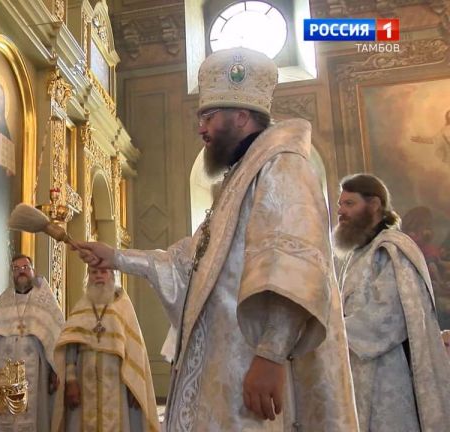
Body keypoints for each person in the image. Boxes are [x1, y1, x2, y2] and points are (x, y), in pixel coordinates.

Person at [73, 47, 358, 431]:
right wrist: (116, 257)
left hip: (255, 365)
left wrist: (271, 355)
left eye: (208, 117)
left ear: (241, 116)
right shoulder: (239, 178)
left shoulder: (282, 165)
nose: (201, 128)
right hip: (227, 367)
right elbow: (188, 261)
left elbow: (296, 267)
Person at [334, 173, 450, 431]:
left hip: (388, 373)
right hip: (356, 367)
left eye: (349, 203)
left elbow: (390, 316)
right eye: (340, 204)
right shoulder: (358, 254)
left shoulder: (392, 248)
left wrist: (332, 331)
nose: (341, 211)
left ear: (374, 205)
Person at [51, 267, 160, 432]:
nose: (99, 276)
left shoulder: (123, 306)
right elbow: (70, 348)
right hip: (84, 382)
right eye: (94, 272)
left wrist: (135, 386)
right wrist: (71, 381)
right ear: (88, 277)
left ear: (112, 275)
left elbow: (134, 350)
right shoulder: (81, 307)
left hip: (117, 383)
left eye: (103, 272)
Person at [0, 254, 63, 431]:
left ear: (33, 271)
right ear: (12, 273)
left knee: (34, 413)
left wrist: (56, 370)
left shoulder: (46, 302)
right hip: (2, 369)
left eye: (25, 267)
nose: (21, 271)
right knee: (3, 415)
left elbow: (56, 337)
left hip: (36, 372)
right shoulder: (3, 302)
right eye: (16, 268)